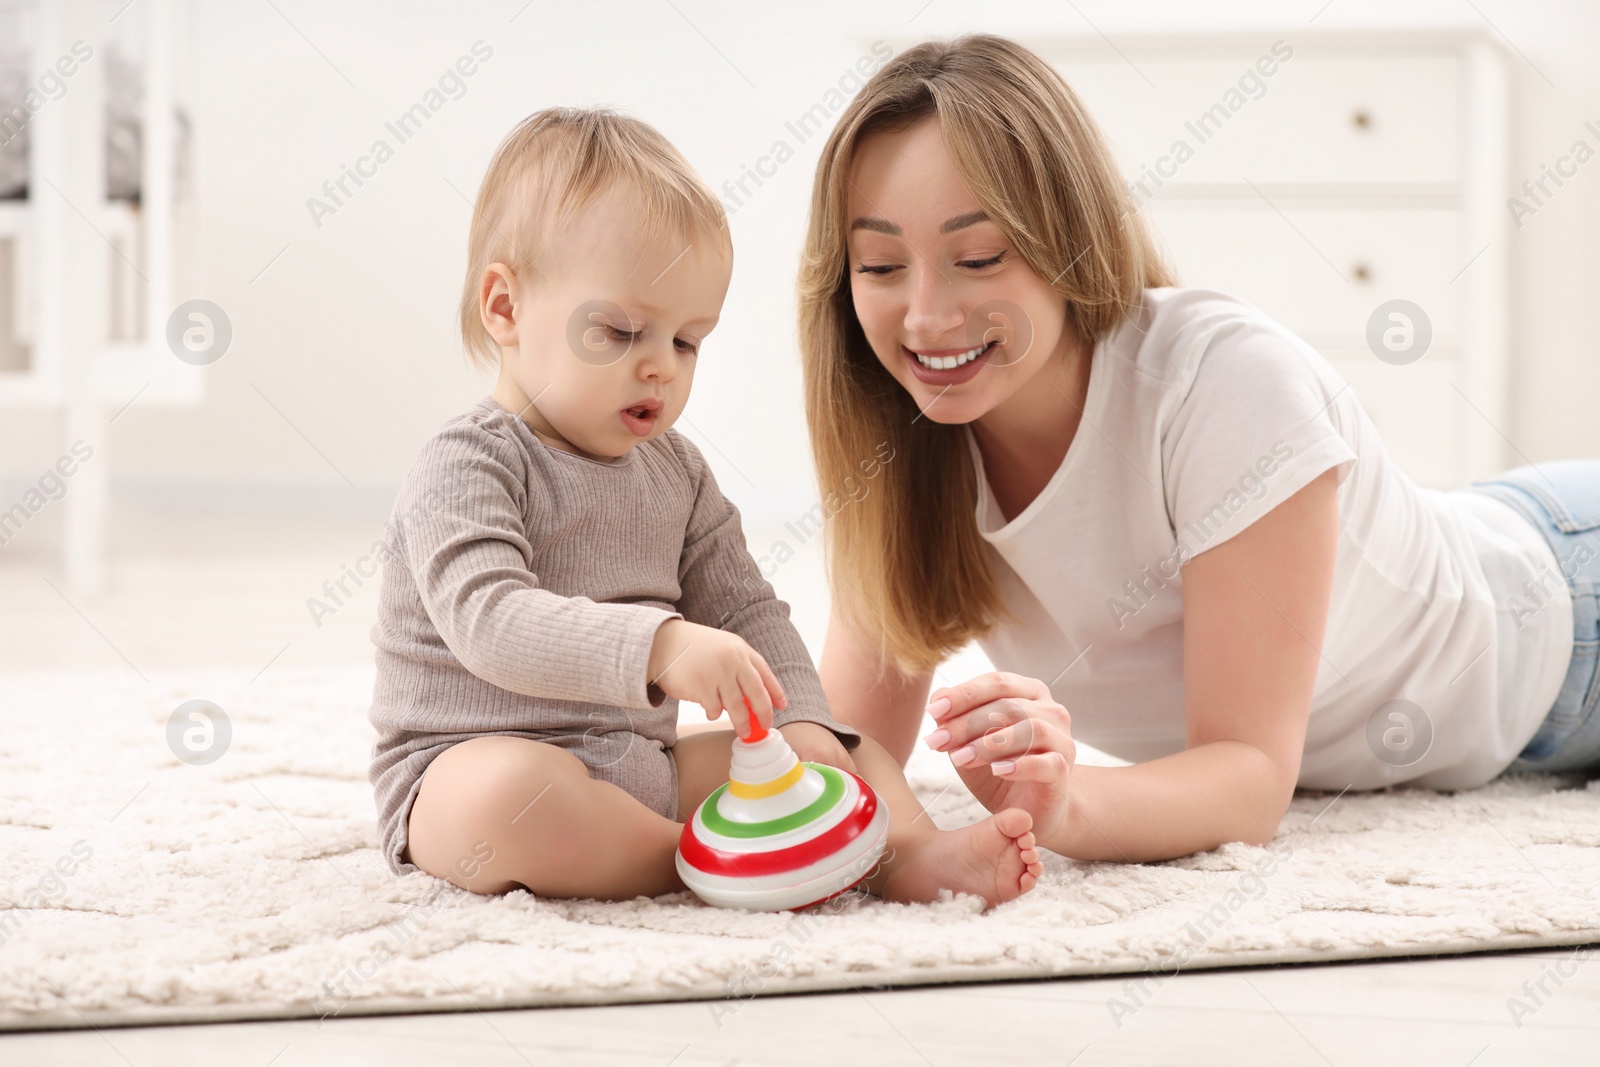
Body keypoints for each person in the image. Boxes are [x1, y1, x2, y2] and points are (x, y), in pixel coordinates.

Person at [798, 35, 1599, 864]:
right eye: (882, 264)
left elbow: (1248, 777)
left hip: (1569, 617)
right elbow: (850, 763)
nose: (925, 316)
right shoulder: (898, 446)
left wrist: (1066, 805)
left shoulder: (1223, 383)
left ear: (1066, 237)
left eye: (977, 257)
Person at [366, 106, 1044, 907]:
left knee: (853, 753)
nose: (660, 367)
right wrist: (661, 647)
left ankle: (902, 849)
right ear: (505, 308)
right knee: (523, 796)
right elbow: (489, 618)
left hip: (638, 764)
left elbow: (747, 606)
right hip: (465, 773)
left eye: (686, 342)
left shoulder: (676, 474)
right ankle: (716, 863)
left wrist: (805, 730)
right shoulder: (468, 461)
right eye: (620, 331)